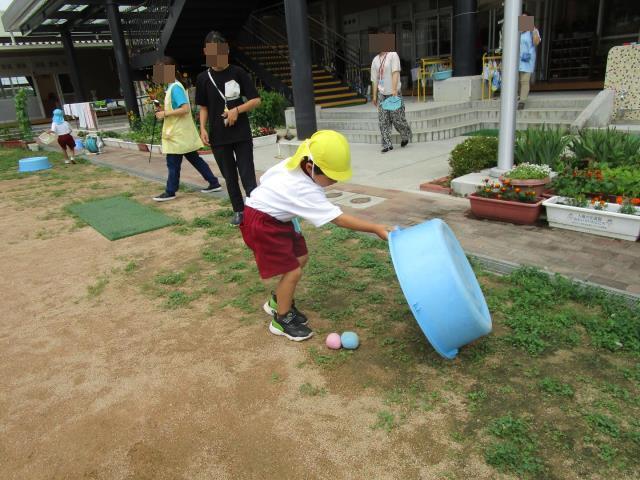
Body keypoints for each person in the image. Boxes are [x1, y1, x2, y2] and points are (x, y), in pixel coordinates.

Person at [240, 130, 390, 342]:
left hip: (276, 219)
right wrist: (375, 228)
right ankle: (281, 320)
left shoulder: (293, 164)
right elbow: (337, 218)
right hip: (262, 224)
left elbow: (265, 179)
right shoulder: (304, 189)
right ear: (310, 167)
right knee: (292, 272)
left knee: (301, 257)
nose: (334, 182)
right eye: (331, 177)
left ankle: (277, 302)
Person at [196, 31, 261, 226]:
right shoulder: (202, 78)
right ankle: (239, 211)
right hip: (218, 136)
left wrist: (237, 110)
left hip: (241, 134)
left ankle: (256, 209)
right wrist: (203, 128)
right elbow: (203, 107)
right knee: (229, 177)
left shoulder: (238, 72)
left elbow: (256, 100)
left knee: (247, 174)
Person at [152, 57, 222, 202]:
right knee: (194, 159)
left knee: (173, 163)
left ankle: (170, 191)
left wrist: (164, 113)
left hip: (177, 134)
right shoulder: (174, 86)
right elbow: (182, 109)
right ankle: (213, 182)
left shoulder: (175, 88)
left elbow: (184, 109)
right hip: (181, 133)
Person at [370, 35, 412, 153]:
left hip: (394, 93)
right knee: (383, 120)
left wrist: (394, 90)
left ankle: (405, 134)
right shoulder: (375, 60)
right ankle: (387, 144)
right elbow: (374, 79)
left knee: (397, 119)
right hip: (382, 94)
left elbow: (395, 72)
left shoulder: (393, 55)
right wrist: (374, 95)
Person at [518, 12, 541, 110]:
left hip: (527, 59)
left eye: (526, 19)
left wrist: (533, 30)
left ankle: (522, 101)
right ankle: (520, 95)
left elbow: (536, 42)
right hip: (517, 60)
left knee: (524, 80)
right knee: (518, 81)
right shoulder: (517, 31)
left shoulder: (533, 30)